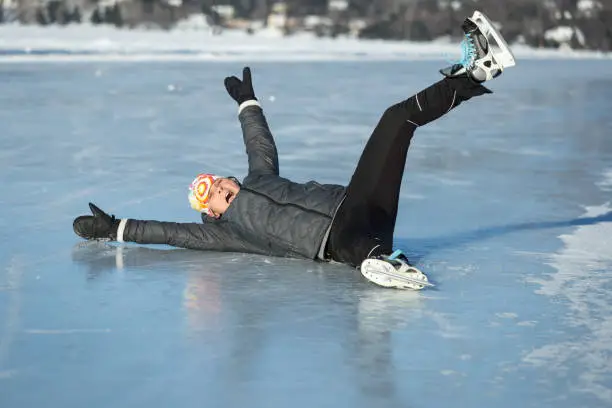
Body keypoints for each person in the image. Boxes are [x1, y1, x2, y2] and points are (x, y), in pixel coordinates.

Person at [73, 12, 515, 289]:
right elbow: (170, 233)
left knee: (394, 121)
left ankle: (476, 71)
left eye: (220, 182)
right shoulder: (225, 234)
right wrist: (115, 228)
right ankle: (381, 264)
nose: (223, 190)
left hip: (359, 203)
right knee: (351, 245)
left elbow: (259, 143)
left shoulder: (259, 178)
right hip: (338, 243)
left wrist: (247, 103)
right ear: (211, 213)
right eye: (213, 196)